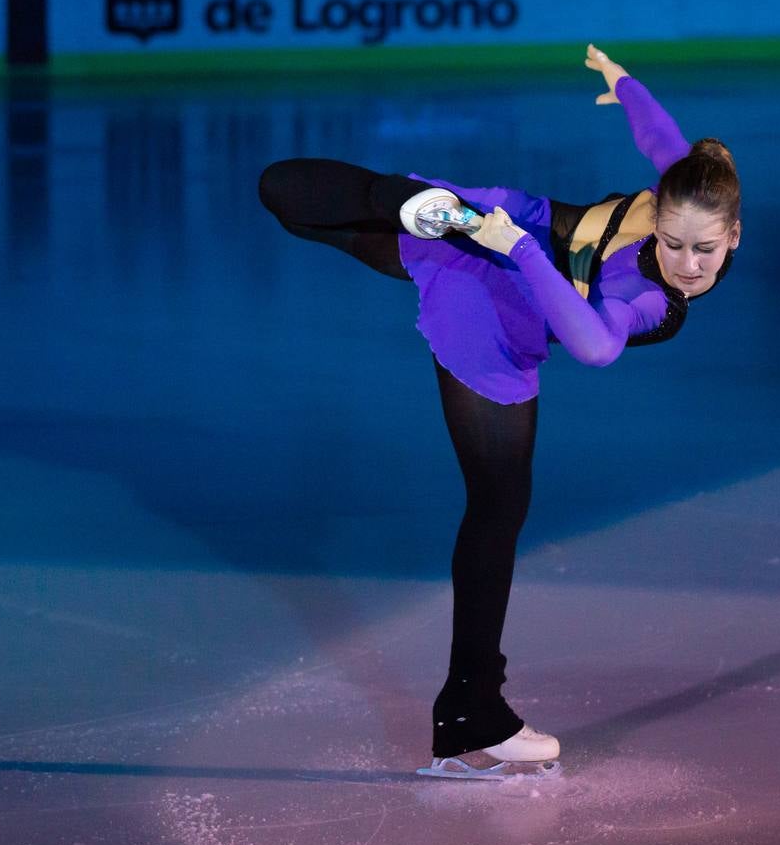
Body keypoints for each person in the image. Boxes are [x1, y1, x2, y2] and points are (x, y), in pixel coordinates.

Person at [257, 44, 742, 780]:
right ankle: (469, 713)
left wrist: (514, 243)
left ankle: (405, 205)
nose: (685, 261)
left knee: (309, 205)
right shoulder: (680, 218)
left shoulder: (658, 289)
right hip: (492, 284)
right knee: (496, 504)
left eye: (703, 250)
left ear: (733, 235)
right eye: (673, 241)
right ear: (666, 206)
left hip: (493, 244)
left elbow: (597, 341)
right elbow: (660, 147)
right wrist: (626, 84)